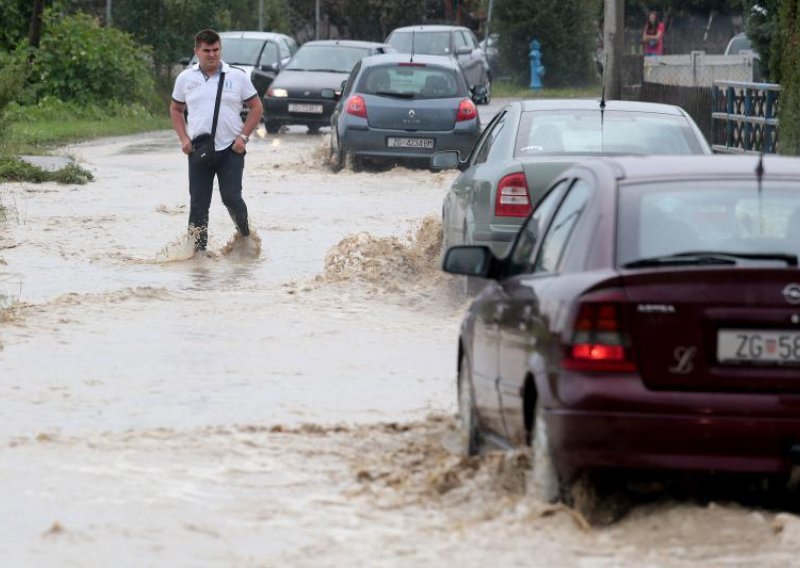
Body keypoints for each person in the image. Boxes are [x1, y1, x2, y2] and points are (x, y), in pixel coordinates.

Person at [169, 29, 263, 252]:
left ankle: (245, 236)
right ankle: (196, 254)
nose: (212, 55)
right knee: (198, 205)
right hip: (199, 149)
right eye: (206, 50)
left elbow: (256, 107)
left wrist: (243, 138)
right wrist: (183, 138)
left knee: (231, 198)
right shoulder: (185, 78)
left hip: (231, 149)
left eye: (216, 50)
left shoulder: (237, 76)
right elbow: (175, 108)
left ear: (220, 50)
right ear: (197, 52)